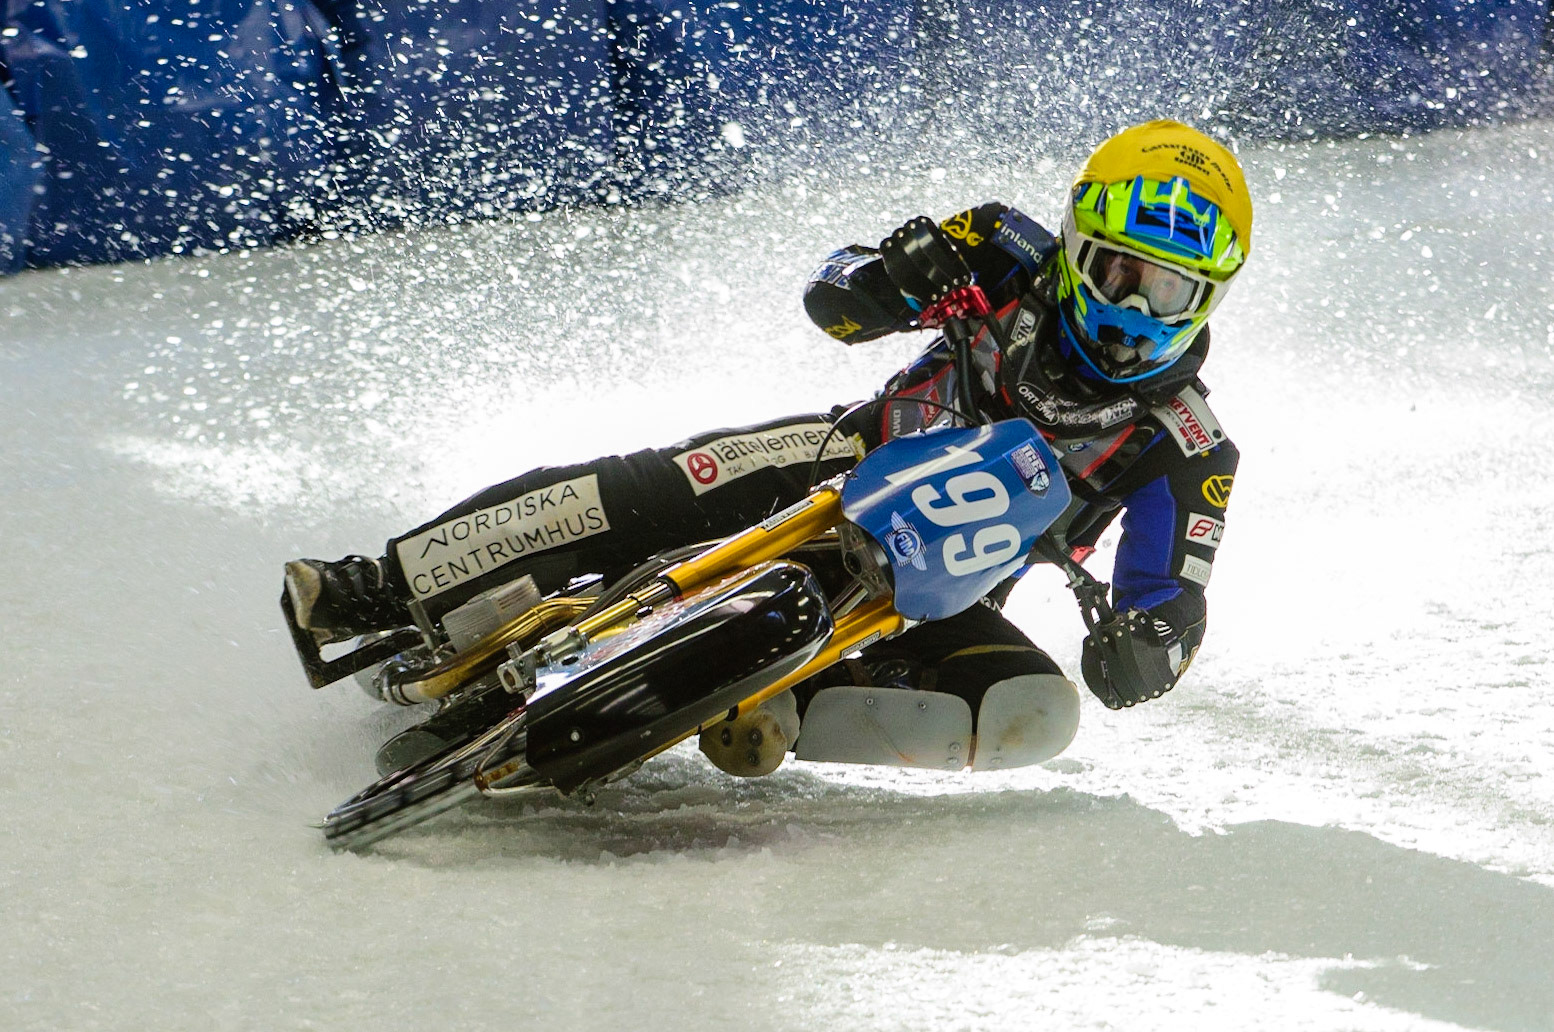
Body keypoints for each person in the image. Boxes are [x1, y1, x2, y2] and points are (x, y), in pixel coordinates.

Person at [284, 119, 1250, 778]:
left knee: (1035, 712)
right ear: (1078, 246)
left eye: (1167, 292)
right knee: (652, 485)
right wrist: (891, 275)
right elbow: (834, 299)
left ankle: (764, 704)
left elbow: (1174, 607)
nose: (1133, 313)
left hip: (932, 589)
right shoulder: (1002, 247)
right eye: (1121, 273)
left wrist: (1144, 650)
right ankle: (383, 583)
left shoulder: (1190, 447)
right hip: (845, 455)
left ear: (1207, 299)